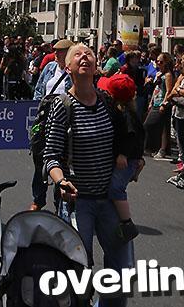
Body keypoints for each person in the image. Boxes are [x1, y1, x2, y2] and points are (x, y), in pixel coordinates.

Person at [44, 43, 134, 307]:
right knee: (78, 271)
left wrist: (132, 160)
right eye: (78, 55)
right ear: (68, 66)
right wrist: (61, 180)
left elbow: (124, 139)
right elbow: (51, 155)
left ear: (96, 65)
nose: (85, 57)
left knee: (120, 271)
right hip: (77, 203)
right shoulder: (63, 106)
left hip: (108, 200)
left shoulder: (107, 102)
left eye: (89, 54)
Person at [97, 71, 145, 242]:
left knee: (115, 189)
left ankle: (127, 223)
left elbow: (131, 136)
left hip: (128, 158)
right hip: (131, 158)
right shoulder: (124, 111)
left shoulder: (126, 114)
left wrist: (123, 155)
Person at [29, 39, 73, 212]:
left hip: (64, 120)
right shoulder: (49, 68)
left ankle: (59, 202)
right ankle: (38, 200)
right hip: (44, 119)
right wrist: (39, 107)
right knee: (40, 161)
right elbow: (39, 89)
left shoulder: (73, 73)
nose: (56, 54)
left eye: (60, 52)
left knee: (59, 162)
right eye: (55, 51)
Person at [143, 52, 173, 158]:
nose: (158, 63)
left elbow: (169, 91)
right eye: (157, 61)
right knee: (159, 126)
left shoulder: (168, 75)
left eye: (161, 62)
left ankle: (160, 148)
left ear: (166, 63)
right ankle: (158, 148)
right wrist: (151, 101)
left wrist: (164, 103)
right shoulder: (158, 73)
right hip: (155, 100)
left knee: (152, 125)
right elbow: (156, 89)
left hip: (162, 102)